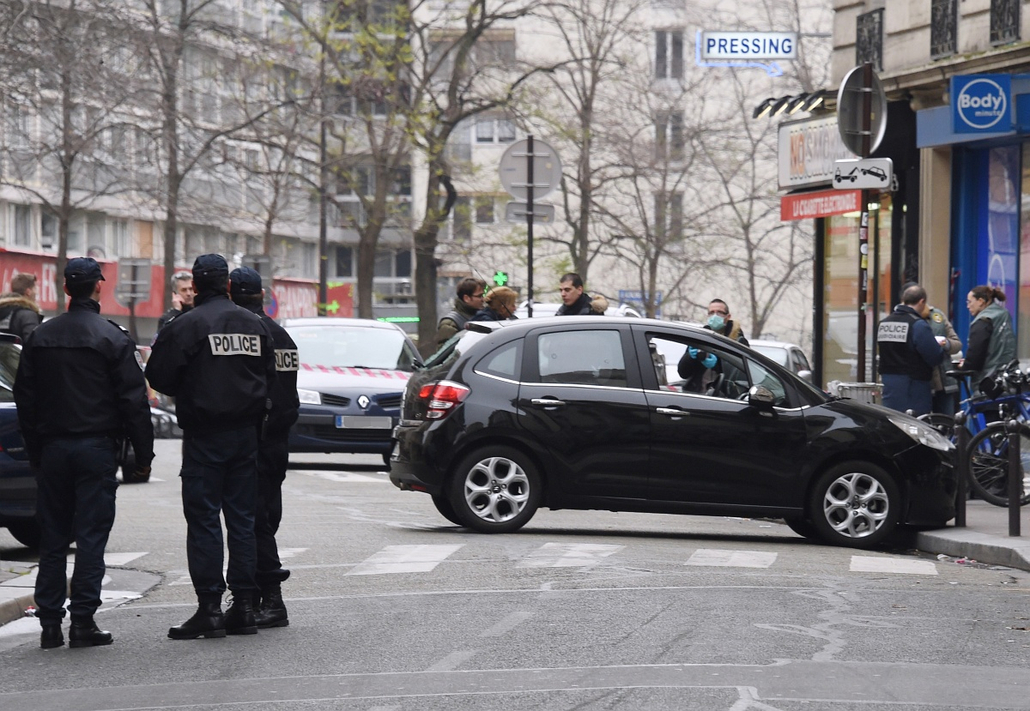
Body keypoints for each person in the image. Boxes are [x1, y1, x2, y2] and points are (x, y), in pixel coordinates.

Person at [13, 257, 154, 649]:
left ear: (65, 290)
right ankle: (83, 621)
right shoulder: (111, 337)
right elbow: (133, 402)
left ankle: (49, 623)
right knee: (91, 537)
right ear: (98, 288)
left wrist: (36, 450)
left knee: (54, 538)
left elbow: (26, 400)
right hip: (96, 448)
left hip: (54, 448)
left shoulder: (41, 337)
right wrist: (143, 455)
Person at [146, 254, 276, 640]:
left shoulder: (187, 325)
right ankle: (245, 607)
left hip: (205, 435)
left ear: (197, 287)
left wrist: (195, 385)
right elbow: (269, 377)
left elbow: (159, 375)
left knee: (204, 520)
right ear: (229, 285)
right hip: (245, 435)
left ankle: (210, 608)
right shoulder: (255, 325)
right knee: (242, 521)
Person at [228, 266, 299, 629]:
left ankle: (270, 598)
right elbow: (290, 397)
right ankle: (257, 594)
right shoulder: (283, 335)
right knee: (266, 518)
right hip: (278, 442)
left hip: (253, 441)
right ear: (261, 294)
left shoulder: (247, 334)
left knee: (254, 522)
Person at [877, 283, 949, 416]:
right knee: (916, 427)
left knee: (893, 424)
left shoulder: (884, 323)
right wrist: (941, 346)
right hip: (913, 388)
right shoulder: (918, 325)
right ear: (922, 302)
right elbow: (934, 357)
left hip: (889, 386)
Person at [675, 299, 749, 394]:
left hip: (725, 396)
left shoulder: (738, 341)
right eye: (711, 313)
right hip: (698, 393)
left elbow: (741, 373)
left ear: (728, 316)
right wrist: (690, 356)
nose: (715, 316)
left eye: (719, 312)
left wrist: (717, 364)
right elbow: (683, 373)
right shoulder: (700, 337)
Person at [962, 284, 1017, 394]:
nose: (968, 306)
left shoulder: (983, 320)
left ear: (981, 301)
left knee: (989, 409)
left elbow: (976, 354)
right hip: (1009, 378)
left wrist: (965, 366)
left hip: (989, 383)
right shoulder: (1004, 314)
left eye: (969, 302)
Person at [435, 277, 485, 347]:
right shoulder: (450, 324)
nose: (483, 299)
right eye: (480, 296)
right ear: (466, 298)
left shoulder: (482, 318)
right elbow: (447, 355)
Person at [0, 272, 43, 342]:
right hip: (16, 353)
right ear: (28, 292)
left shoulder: (3, 309)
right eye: (35, 288)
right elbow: (33, 344)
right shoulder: (28, 315)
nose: (37, 292)